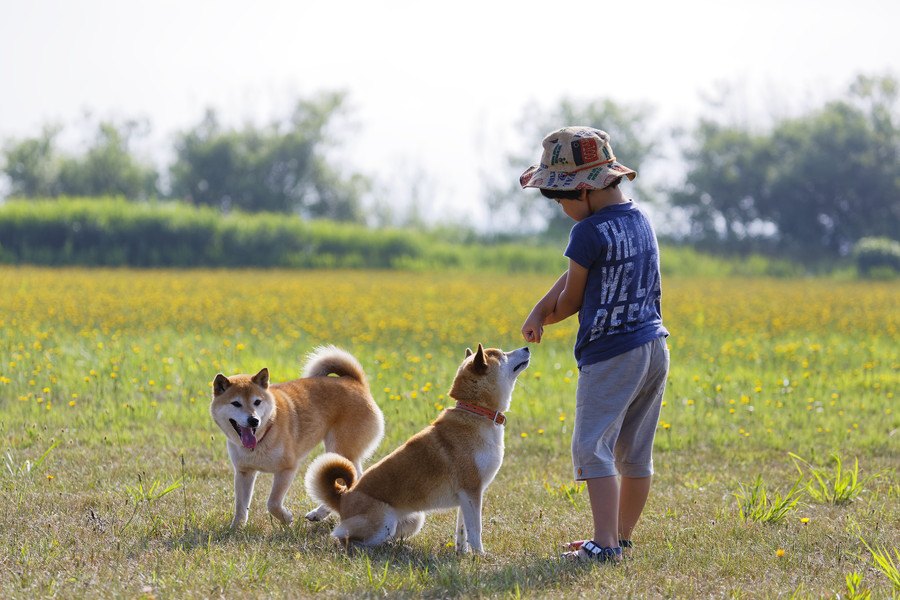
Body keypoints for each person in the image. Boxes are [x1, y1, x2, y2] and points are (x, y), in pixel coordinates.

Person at [519, 126, 669, 563]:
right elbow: (577, 277)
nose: (560, 206)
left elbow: (574, 296)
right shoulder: (639, 219)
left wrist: (546, 316)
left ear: (583, 189)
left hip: (612, 351)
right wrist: (538, 307)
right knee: (634, 452)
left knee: (592, 447)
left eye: (559, 197)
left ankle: (603, 546)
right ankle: (619, 537)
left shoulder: (586, 233)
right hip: (653, 346)